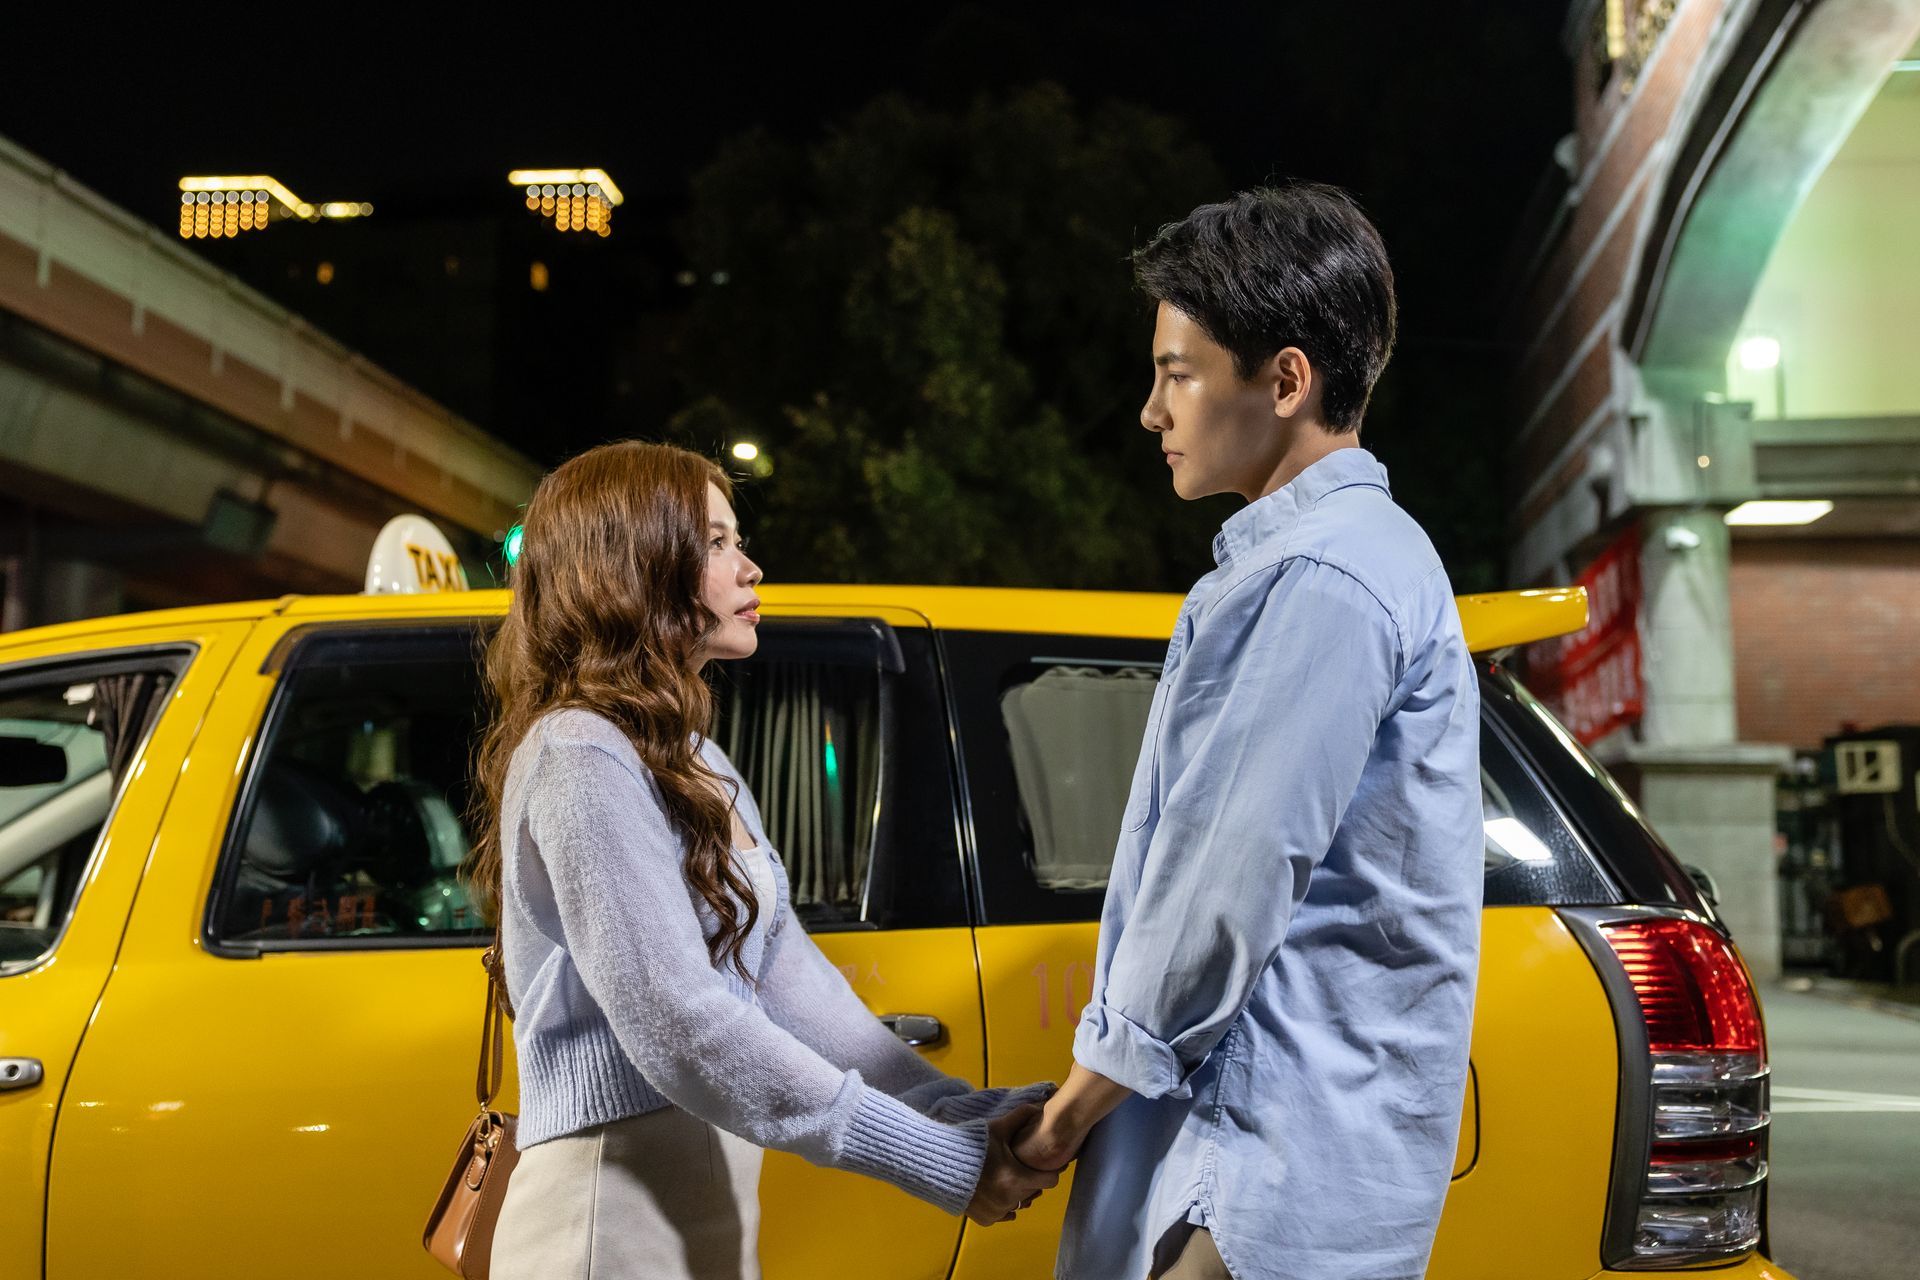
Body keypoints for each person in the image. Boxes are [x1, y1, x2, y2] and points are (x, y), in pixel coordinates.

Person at [1012, 185, 1483, 1280]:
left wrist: (1065, 1118)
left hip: (1261, 1159)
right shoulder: (1337, 558)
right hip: (1270, 1150)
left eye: (1177, 373)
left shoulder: (1325, 574)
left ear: (1285, 381)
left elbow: (1225, 880)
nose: (1151, 410)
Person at [470, 441, 1055, 1280]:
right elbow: (680, 1024)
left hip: (705, 1193)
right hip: (607, 1208)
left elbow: (787, 980)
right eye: (715, 543)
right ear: (635, 565)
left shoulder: (696, 760)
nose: (751, 568)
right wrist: (940, 1159)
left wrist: (953, 1111)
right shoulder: (579, 753)